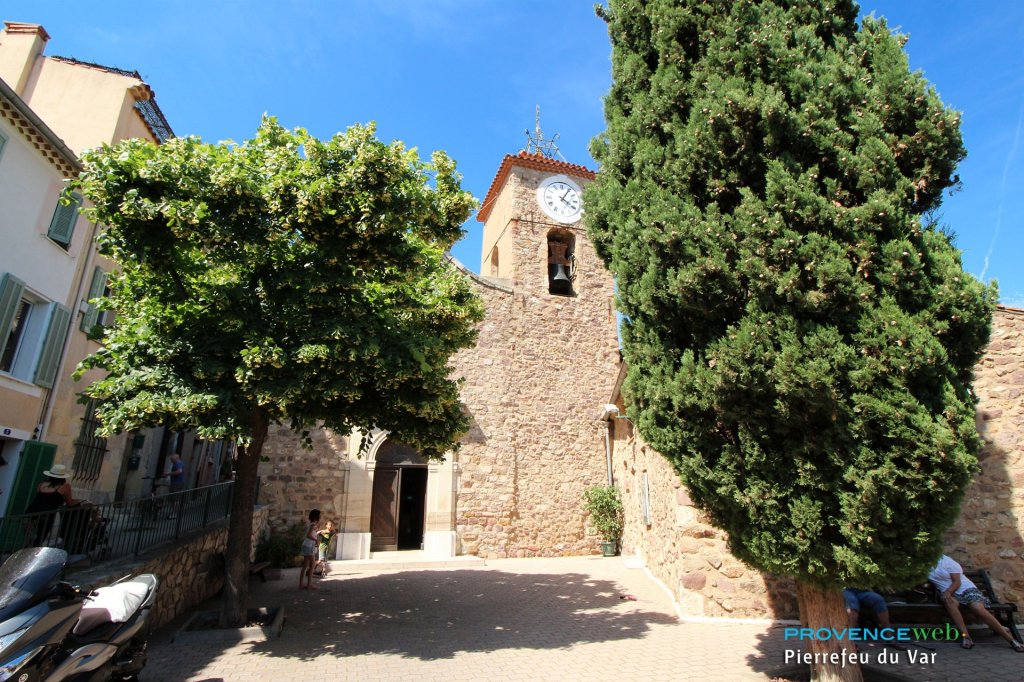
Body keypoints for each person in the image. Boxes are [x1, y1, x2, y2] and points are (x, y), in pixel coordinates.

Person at [928, 554, 1024, 651]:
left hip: (966, 589)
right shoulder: (923, 566)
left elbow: (957, 582)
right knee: (949, 602)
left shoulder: (948, 562)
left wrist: (948, 592)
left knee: (977, 608)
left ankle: (1011, 639)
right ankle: (965, 636)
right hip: (946, 593)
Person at [24, 464, 81, 546]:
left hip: (30, 515)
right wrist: (80, 501)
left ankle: (23, 557)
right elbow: (70, 502)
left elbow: (43, 500)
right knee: (38, 541)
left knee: (28, 541)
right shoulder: (65, 486)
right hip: (45, 517)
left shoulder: (41, 485)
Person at [299, 509, 321, 590]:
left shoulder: (311, 524)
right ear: (316, 516)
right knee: (312, 565)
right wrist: (315, 540)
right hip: (309, 546)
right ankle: (309, 584)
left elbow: (310, 534)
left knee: (305, 566)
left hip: (306, 545)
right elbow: (308, 535)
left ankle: (301, 584)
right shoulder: (313, 525)